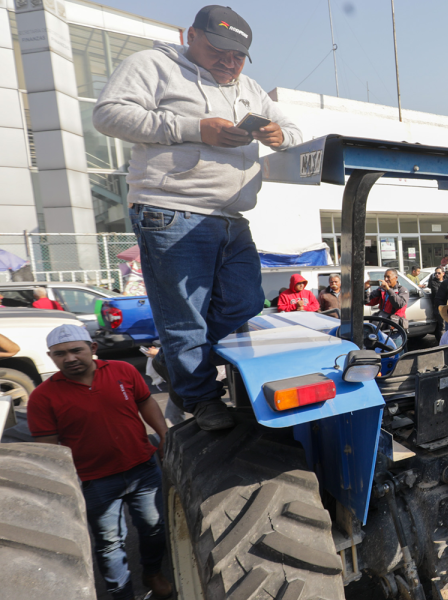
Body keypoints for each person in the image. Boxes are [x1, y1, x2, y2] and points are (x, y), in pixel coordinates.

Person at [93, 6, 301, 431]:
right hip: (171, 208)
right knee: (185, 316)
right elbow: (108, 113)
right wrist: (194, 128)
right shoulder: (153, 65)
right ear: (192, 36)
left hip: (230, 216)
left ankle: (174, 361)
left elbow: (295, 133)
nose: (229, 62)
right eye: (219, 51)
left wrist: (280, 136)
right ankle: (201, 398)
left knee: (246, 302)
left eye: (238, 56)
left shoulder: (250, 88)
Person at [27, 325, 173, 600]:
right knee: (109, 543)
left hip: (142, 468)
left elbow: (145, 402)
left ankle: (152, 573)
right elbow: (47, 448)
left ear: (92, 348)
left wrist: (164, 434)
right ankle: (122, 593)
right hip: (94, 480)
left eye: (76, 350)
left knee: (154, 528)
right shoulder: (43, 397)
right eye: (60, 354)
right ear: (50, 357)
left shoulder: (123, 371)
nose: (69, 358)